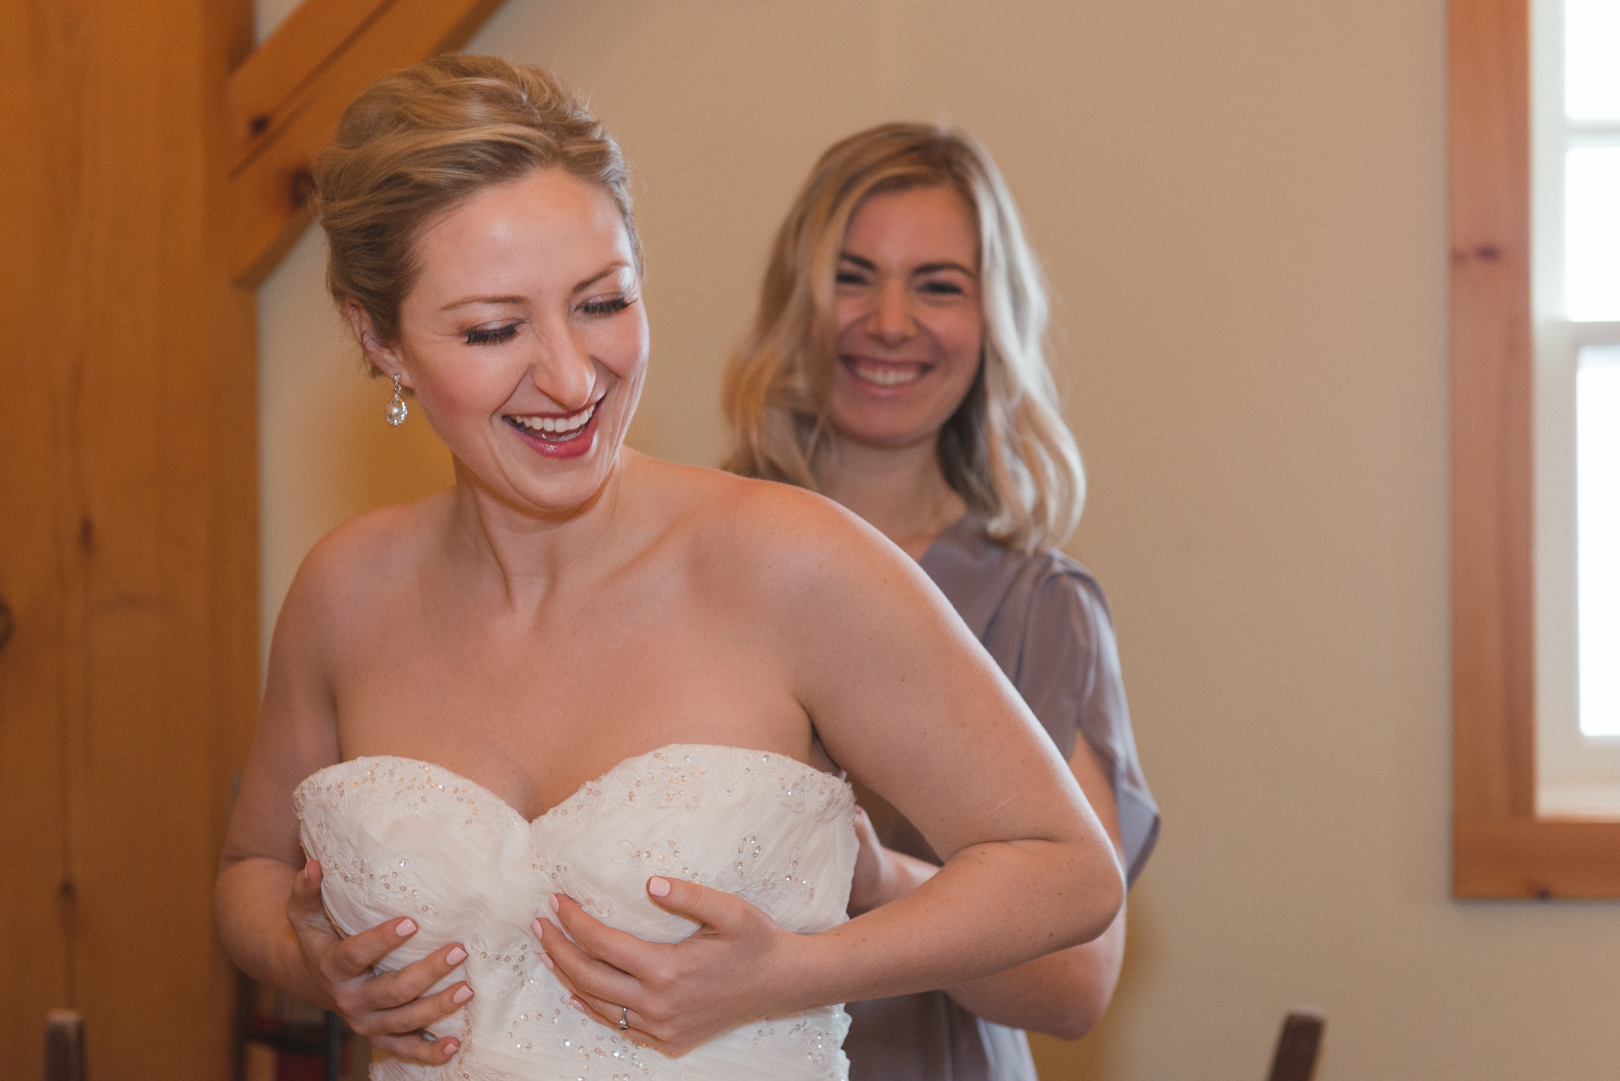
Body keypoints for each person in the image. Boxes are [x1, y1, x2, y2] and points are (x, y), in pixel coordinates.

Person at [213, 57, 1124, 1081]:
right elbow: (250, 869)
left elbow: (1073, 875)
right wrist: (313, 960)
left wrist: (797, 970)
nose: (570, 375)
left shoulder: (789, 560)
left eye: (602, 303)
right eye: (494, 328)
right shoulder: (346, 589)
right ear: (377, 337)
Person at [722, 122, 1160, 1081]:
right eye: (853, 275)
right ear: (796, 301)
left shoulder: (1040, 609)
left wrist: (887, 882)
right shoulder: (692, 551)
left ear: (992, 319)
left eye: (938, 285)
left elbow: (1078, 978)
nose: (888, 320)